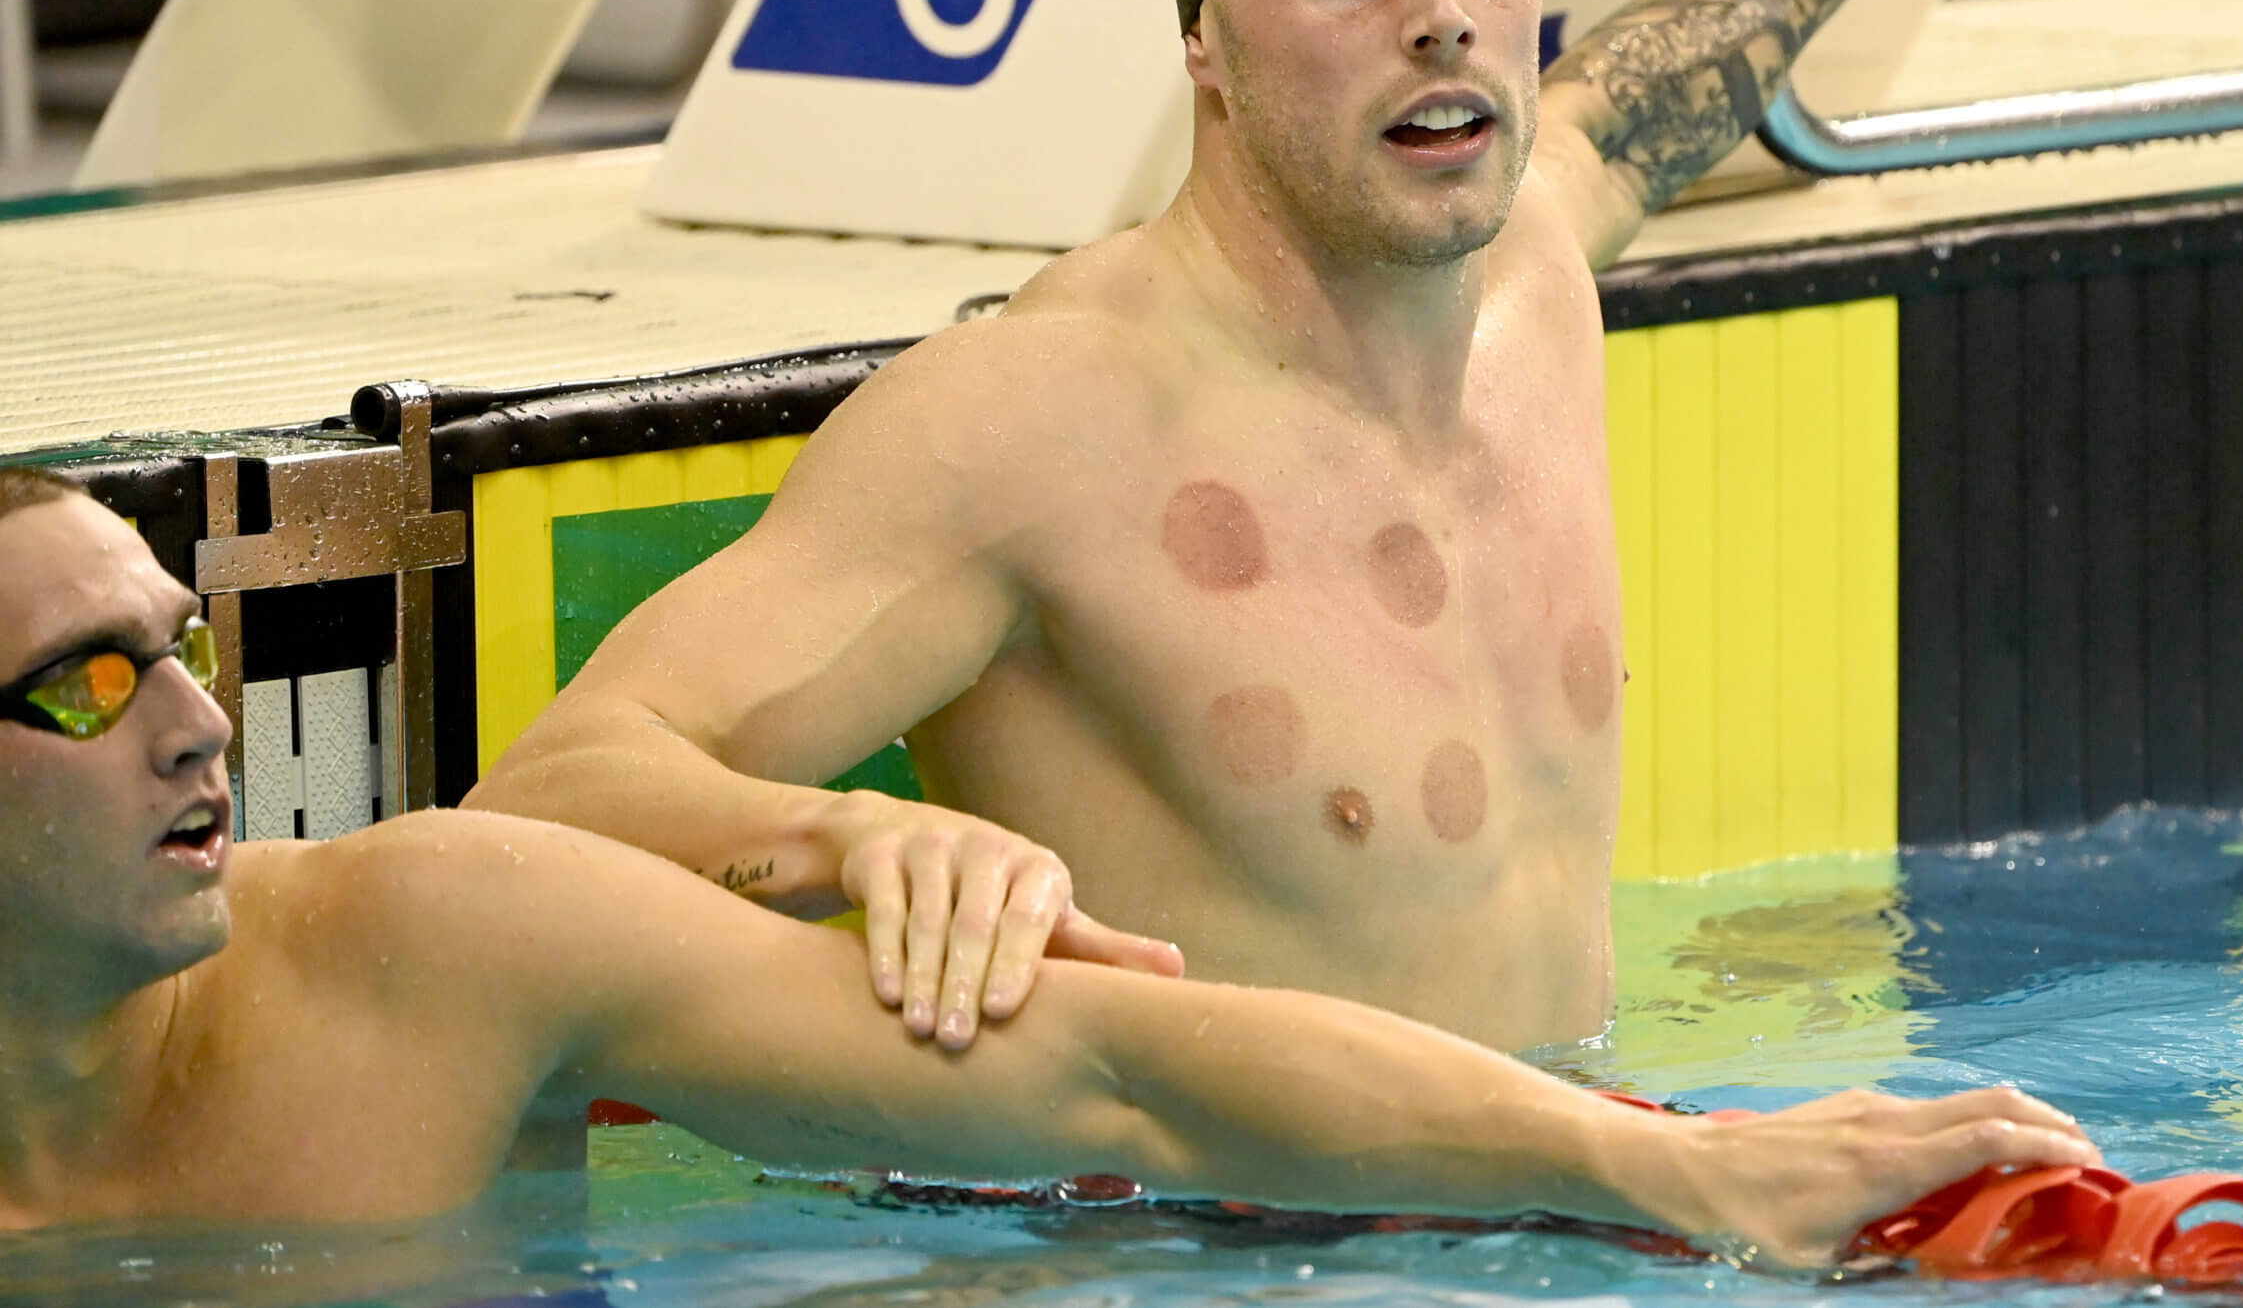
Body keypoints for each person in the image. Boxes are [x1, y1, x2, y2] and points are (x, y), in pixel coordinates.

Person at [468, 0, 2018, 1052]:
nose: (1442, 13)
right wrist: (847, 834)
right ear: (1203, 39)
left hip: (1576, 1185)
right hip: (1210, 1249)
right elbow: (540, 803)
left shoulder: (1532, 265)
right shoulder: (1047, 418)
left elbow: (1662, 81)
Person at [0, 467, 2097, 1243]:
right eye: (87, 686)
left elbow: (1126, 1075)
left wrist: (1673, 1163)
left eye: (182, 647)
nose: (201, 724)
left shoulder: (427, 947)